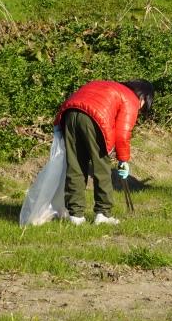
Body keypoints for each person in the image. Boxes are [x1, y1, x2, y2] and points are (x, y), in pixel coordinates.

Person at [55, 79, 153, 225]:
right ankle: (103, 214)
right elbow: (122, 134)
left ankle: (75, 215)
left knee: (75, 165)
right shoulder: (131, 98)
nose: (140, 109)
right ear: (143, 97)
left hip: (69, 113)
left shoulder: (108, 86)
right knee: (101, 167)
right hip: (93, 117)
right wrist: (123, 160)